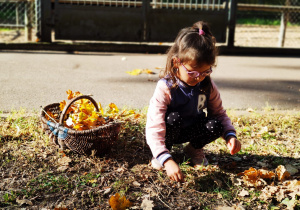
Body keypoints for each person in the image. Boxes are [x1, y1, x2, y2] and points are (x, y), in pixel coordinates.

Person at [145, 21, 241, 183]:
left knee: (215, 124)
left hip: (192, 130)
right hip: (170, 130)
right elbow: (154, 125)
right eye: (193, 72)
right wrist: (166, 160)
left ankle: (193, 149)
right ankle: (164, 153)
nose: (199, 77)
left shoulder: (207, 86)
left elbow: (219, 113)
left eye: (206, 72)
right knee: (173, 117)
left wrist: (230, 135)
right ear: (177, 62)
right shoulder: (166, 87)